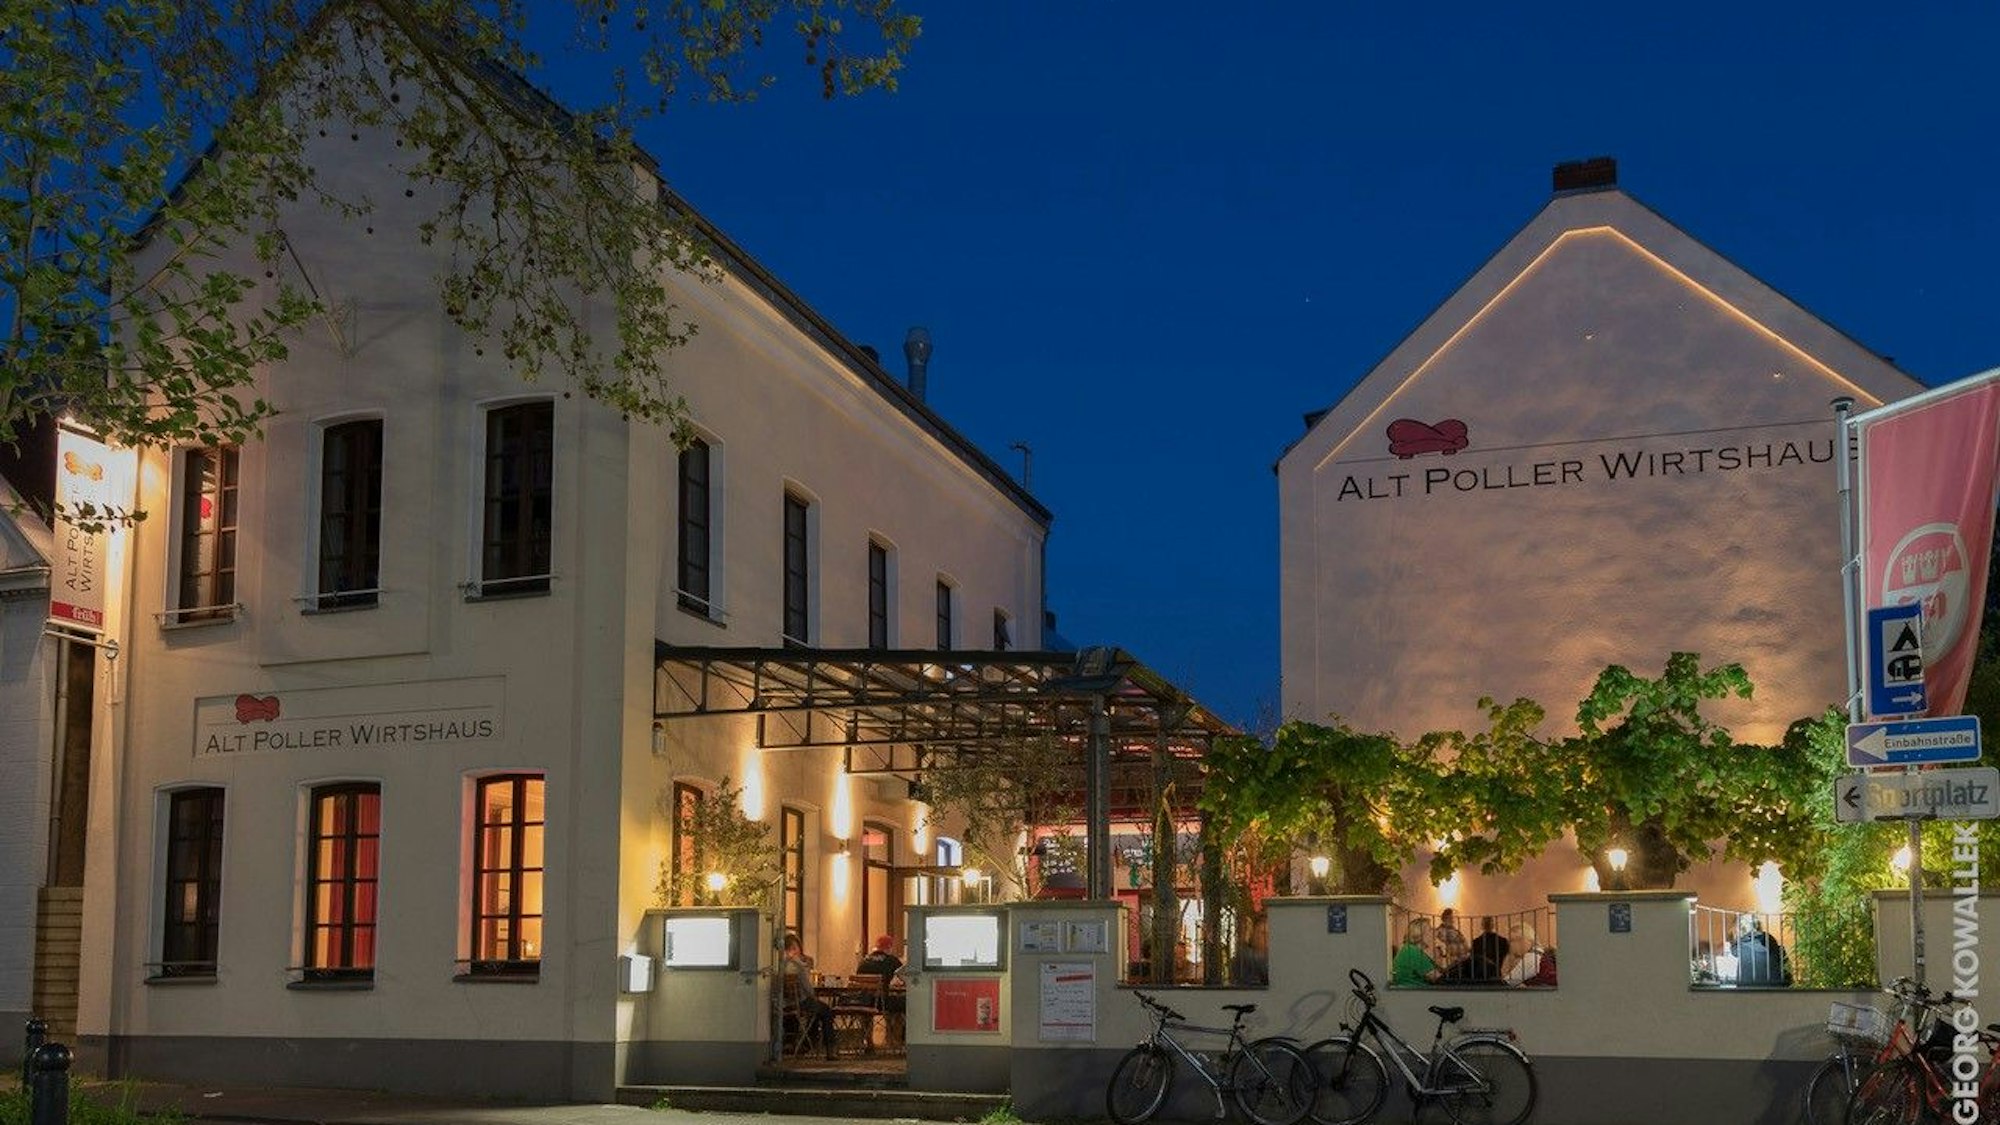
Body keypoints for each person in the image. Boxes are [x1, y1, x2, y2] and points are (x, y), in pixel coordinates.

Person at [781, 932, 834, 1058]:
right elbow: (808, 989)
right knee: (826, 1010)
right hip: (800, 1002)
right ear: (794, 948)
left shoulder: (779, 964)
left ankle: (806, 1044)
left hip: (784, 1004)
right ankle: (830, 1049)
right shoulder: (798, 965)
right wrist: (813, 994)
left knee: (816, 1011)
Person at [1729, 914, 1792, 987]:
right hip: (1780, 995)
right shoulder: (1778, 950)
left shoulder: (1739, 950)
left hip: (1747, 996)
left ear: (1738, 930)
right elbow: (1789, 979)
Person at [1392, 918, 1441, 987]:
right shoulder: (1412, 951)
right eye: (1430, 930)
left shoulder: (1409, 948)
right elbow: (1438, 978)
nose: (1434, 933)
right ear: (1419, 934)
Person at [1502, 921, 1553, 987]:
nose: (1515, 944)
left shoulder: (1532, 956)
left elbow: (1507, 983)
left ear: (1530, 939)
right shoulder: (1537, 952)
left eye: (1520, 939)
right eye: (1512, 940)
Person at [1465, 916, 1509, 984]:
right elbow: (1506, 957)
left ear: (1482, 926)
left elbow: (1473, 959)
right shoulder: (1502, 941)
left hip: (1480, 977)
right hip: (1497, 975)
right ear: (1493, 925)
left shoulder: (1476, 942)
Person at [1231, 915, 1270, 986]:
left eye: (1269, 934)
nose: (1267, 938)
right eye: (1263, 933)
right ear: (1253, 935)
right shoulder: (1246, 956)